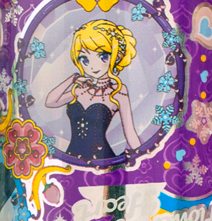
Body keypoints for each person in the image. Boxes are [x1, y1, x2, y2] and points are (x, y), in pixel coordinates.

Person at [45, 20, 140, 163]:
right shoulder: (80, 89)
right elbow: (51, 102)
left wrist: (143, 158)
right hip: (72, 158)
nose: (93, 66)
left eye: (103, 57)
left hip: (103, 161)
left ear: (115, 56)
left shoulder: (118, 92)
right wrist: (72, 79)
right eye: (85, 59)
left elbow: (130, 133)